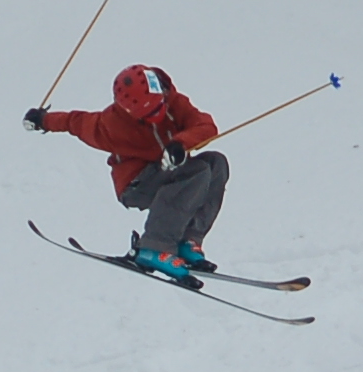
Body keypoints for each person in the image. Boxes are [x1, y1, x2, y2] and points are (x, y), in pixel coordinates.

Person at [26, 65, 227, 278]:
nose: (156, 117)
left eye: (158, 108)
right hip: (136, 185)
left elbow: (206, 126)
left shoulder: (174, 102)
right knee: (196, 172)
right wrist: (42, 120)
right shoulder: (112, 123)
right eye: (148, 115)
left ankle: (189, 240)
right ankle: (154, 248)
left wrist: (179, 143)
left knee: (216, 163)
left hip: (168, 173)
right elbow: (75, 122)